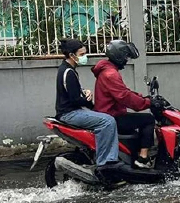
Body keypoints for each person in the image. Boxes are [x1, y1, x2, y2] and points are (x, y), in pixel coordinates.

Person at [55, 39, 120, 171]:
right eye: (81, 54)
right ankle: (106, 164)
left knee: (104, 117)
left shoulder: (67, 69)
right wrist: (88, 101)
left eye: (85, 53)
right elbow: (74, 100)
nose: (85, 57)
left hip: (70, 111)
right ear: (72, 55)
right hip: (70, 113)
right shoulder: (68, 72)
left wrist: (85, 93)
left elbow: (72, 92)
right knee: (108, 121)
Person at [92, 40, 156, 170]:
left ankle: (132, 159)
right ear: (119, 56)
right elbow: (124, 97)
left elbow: (123, 92)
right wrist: (148, 103)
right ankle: (143, 159)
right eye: (126, 57)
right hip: (112, 115)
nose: (127, 60)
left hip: (110, 112)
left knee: (135, 128)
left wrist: (141, 97)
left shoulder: (108, 70)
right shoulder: (110, 74)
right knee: (148, 119)